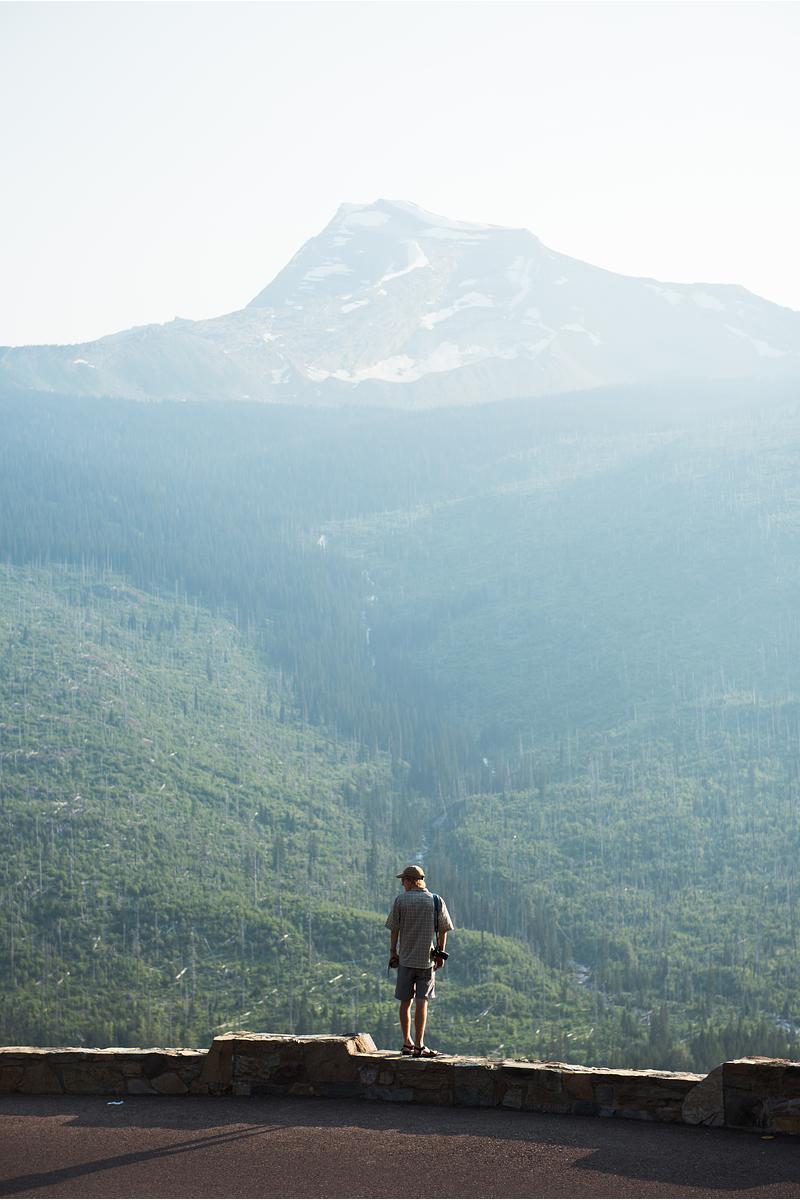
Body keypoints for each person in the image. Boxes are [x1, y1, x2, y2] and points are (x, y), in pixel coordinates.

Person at [385, 864, 454, 1057]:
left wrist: (393, 952)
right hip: (427, 960)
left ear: (410, 881)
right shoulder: (435, 900)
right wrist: (440, 953)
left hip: (406, 959)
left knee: (405, 1002)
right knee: (422, 1001)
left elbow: (394, 929)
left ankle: (407, 1042)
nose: (402, 884)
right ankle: (419, 1045)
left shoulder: (401, 900)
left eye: (403, 880)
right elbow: (443, 930)